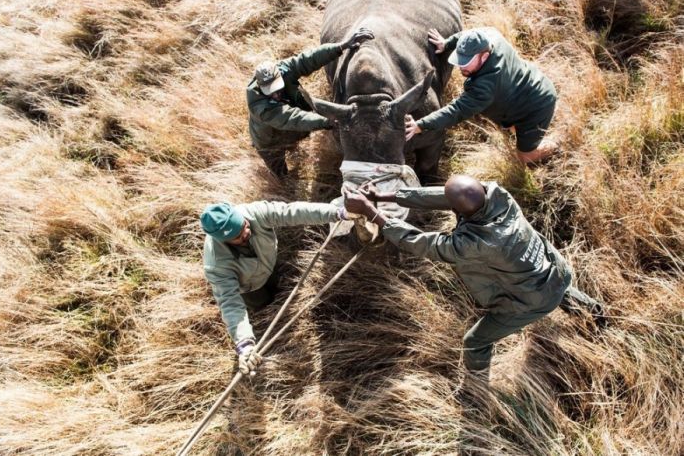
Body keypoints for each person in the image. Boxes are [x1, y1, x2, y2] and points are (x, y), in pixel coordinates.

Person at [343, 175, 605, 382]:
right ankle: (597, 314)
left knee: (475, 341)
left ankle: (477, 386)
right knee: (558, 287)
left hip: (533, 299)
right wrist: (385, 196)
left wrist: (370, 210)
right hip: (552, 268)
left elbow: (419, 243)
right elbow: (447, 196)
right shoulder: (497, 194)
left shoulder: (475, 243)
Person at [201, 200, 351, 375]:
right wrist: (244, 343)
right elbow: (230, 302)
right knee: (261, 303)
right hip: (250, 287)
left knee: (276, 282)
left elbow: (292, 211)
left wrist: (336, 213)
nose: (246, 232)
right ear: (224, 241)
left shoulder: (253, 212)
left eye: (244, 226)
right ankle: (264, 308)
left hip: (269, 264)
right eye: (238, 236)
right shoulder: (216, 265)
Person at [405, 27, 560, 165]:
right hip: (532, 81)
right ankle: (518, 129)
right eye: (460, 59)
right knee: (513, 128)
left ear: (484, 57)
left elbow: (455, 111)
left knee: (525, 156)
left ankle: (556, 143)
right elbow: (467, 36)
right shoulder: (491, 35)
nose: (460, 66)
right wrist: (447, 43)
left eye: (466, 62)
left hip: (537, 106)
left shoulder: (485, 86)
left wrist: (420, 125)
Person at [247, 28, 374, 178]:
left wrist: (341, 47)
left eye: (277, 88)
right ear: (261, 87)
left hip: (291, 128)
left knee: (294, 141)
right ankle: (284, 183)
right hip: (270, 141)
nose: (275, 94)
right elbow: (293, 118)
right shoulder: (260, 107)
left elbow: (309, 59)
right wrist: (326, 121)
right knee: (279, 170)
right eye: (270, 91)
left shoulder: (283, 70)